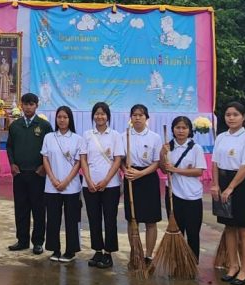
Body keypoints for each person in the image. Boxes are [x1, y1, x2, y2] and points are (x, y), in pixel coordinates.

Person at [211, 101, 245, 285]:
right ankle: (233, 266)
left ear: (243, 117)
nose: (231, 118)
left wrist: (231, 187)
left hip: (240, 185)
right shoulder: (221, 137)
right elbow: (215, 163)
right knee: (229, 227)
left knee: (244, 228)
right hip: (222, 183)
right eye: (228, 115)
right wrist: (216, 184)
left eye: (235, 115)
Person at [5, 93, 51, 254]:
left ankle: (38, 242)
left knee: (39, 209)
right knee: (21, 208)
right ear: (21, 105)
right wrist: (12, 164)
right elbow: (9, 147)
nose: (28, 107)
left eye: (31, 104)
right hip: (19, 174)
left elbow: (50, 148)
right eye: (25, 104)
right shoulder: (15, 125)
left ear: (36, 106)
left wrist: (44, 167)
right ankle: (22, 240)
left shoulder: (44, 126)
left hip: (38, 174)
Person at [80, 101, 124, 268]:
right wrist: (88, 180)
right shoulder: (87, 135)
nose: (100, 116)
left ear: (108, 116)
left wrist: (106, 180)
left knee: (110, 219)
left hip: (110, 186)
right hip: (90, 185)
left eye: (103, 113)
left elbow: (118, 160)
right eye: (97, 113)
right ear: (93, 116)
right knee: (94, 218)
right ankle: (98, 251)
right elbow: (83, 159)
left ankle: (108, 253)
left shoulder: (115, 135)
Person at [41, 106, 85, 262]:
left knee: (71, 219)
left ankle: (70, 251)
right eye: (59, 117)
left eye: (65, 117)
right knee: (53, 219)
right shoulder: (49, 137)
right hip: (51, 186)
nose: (62, 120)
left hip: (71, 186)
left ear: (70, 119)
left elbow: (79, 163)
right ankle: (55, 249)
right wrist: (53, 179)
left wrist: (66, 181)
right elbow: (45, 159)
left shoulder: (78, 139)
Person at [123, 104, 164, 265]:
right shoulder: (124, 135)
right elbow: (120, 159)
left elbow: (157, 162)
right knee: (132, 219)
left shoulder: (155, 137)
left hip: (148, 178)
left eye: (141, 115)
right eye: (134, 115)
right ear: (131, 118)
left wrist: (141, 173)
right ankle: (135, 253)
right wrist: (126, 171)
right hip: (131, 178)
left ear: (147, 118)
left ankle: (148, 255)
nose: (137, 118)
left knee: (150, 220)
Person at [161, 115, 206, 259]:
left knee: (193, 231)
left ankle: (192, 262)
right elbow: (164, 170)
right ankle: (177, 262)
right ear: (173, 129)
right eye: (178, 127)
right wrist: (162, 154)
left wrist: (177, 170)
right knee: (177, 231)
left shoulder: (196, 148)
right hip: (173, 194)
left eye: (184, 128)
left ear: (189, 130)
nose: (181, 131)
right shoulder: (168, 147)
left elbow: (198, 171)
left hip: (192, 195)